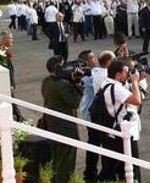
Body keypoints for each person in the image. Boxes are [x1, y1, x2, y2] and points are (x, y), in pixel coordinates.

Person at [97, 59, 142, 181]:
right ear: (117, 74)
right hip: (121, 132)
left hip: (111, 132)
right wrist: (135, 82)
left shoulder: (106, 83)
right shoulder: (116, 89)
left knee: (112, 167)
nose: (128, 75)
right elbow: (137, 101)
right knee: (132, 165)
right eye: (126, 72)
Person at [41, 56, 81, 183]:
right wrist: (77, 84)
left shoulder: (46, 81)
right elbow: (76, 102)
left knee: (57, 162)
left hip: (53, 127)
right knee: (66, 164)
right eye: (64, 66)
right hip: (65, 130)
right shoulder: (62, 85)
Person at [83, 50, 113, 182]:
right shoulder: (102, 75)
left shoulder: (95, 72)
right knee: (104, 145)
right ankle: (103, 175)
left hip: (93, 113)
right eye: (91, 58)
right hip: (99, 115)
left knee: (94, 144)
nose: (94, 59)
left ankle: (91, 172)